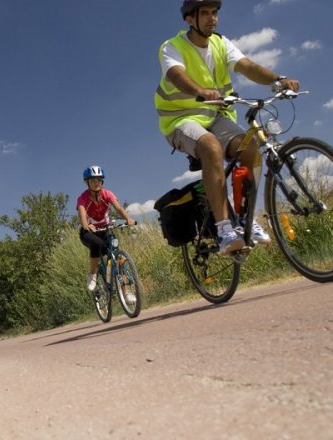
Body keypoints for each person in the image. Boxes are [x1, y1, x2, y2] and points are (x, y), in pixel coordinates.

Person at [155, 0, 300, 255]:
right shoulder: (172, 47)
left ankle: (246, 219)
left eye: (215, 13)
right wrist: (199, 91)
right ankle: (224, 230)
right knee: (211, 147)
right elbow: (176, 75)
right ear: (190, 19)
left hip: (215, 116)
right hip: (180, 120)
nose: (213, 18)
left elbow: (247, 66)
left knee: (251, 147)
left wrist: (278, 80)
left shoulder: (221, 43)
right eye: (205, 14)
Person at [76, 165, 137, 302]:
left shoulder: (107, 194)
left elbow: (119, 207)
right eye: (92, 181)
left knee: (117, 257)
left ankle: (126, 293)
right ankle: (92, 275)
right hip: (88, 232)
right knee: (97, 244)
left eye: (98, 180)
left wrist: (128, 219)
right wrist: (87, 226)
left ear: (102, 181)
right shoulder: (83, 198)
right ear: (87, 183)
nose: (96, 183)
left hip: (105, 230)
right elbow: (82, 214)